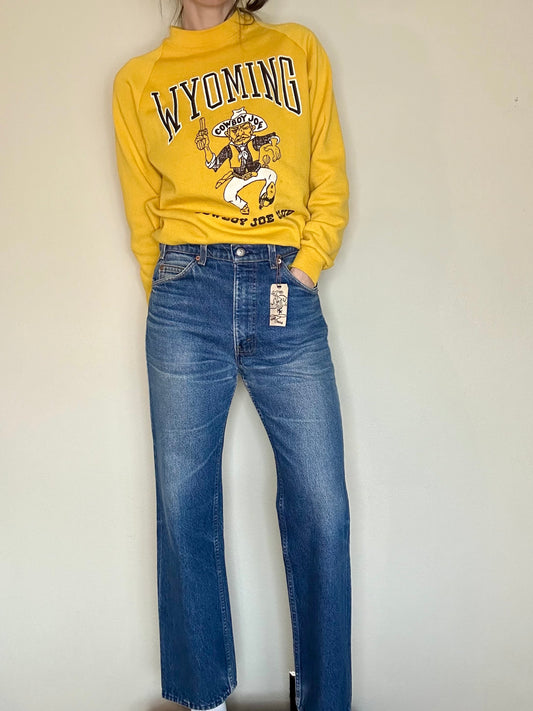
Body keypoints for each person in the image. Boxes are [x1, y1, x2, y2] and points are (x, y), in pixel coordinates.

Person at [111, 1, 351, 709]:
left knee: (322, 504)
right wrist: (171, 287)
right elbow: (143, 214)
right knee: (183, 501)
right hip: (187, 290)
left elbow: (328, 174)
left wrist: (306, 265)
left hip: (283, 283)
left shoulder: (295, 48)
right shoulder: (139, 80)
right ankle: (204, 697)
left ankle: (322, 699)